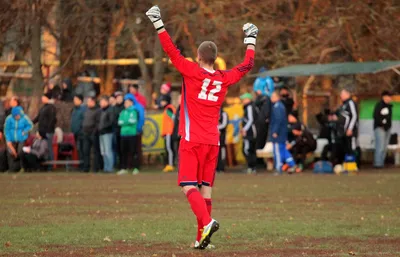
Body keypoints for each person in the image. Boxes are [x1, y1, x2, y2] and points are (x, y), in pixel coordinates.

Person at [146, 5, 257, 249]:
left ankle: (206, 223)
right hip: (212, 142)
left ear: (198, 56)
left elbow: (172, 52)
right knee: (205, 190)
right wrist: (251, 39)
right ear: (215, 59)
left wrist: (158, 24)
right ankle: (201, 240)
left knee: (187, 186)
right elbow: (246, 66)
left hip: (192, 139)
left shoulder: (192, 71)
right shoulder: (224, 78)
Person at [269, 91, 296, 174]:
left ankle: (278, 168)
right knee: (283, 150)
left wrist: (275, 131)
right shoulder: (280, 106)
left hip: (279, 133)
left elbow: (278, 120)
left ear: (277, 97)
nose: (271, 98)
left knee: (277, 151)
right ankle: (292, 164)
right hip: (282, 133)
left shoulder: (277, 107)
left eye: (273, 96)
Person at [4, 106, 33, 172]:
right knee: (11, 152)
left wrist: (25, 131)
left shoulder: (24, 118)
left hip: (22, 139)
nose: (17, 117)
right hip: (11, 139)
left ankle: (22, 167)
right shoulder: (9, 119)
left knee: (20, 152)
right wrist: (8, 141)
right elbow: (6, 130)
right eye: (16, 116)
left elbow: (30, 125)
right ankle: (11, 168)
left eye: (18, 115)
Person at [32, 93, 57, 168]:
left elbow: (52, 120)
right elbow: (38, 118)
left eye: (43, 97)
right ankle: (43, 165)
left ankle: (51, 165)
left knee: (49, 148)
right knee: (43, 149)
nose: (42, 99)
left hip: (48, 132)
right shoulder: (43, 108)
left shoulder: (51, 107)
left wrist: (47, 130)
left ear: (47, 98)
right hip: (42, 132)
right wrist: (31, 123)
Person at [117, 94, 139, 175]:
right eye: (125, 102)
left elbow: (133, 121)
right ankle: (124, 168)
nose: (125, 104)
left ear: (131, 103)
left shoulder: (134, 111)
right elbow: (119, 122)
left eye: (127, 102)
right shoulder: (123, 112)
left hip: (132, 134)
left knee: (133, 151)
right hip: (123, 134)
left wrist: (125, 122)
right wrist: (127, 122)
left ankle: (135, 168)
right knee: (123, 152)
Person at [337, 88, 359, 165]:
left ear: (348, 94)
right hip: (343, 131)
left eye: (342, 94)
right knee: (345, 148)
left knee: (352, 148)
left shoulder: (351, 103)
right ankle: (347, 164)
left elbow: (354, 116)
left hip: (350, 131)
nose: (341, 96)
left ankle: (355, 164)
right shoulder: (343, 105)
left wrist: (350, 129)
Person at [373, 91, 393, 168]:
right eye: (389, 96)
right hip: (380, 128)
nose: (390, 98)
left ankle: (381, 163)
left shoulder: (389, 106)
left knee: (384, 147)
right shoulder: (379, 105)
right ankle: (378, 164)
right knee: (380, 146)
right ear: (384, 97)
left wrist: (388, 126)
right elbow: (376, 116)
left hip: (388, 128)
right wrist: (381, 124)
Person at [82, 96, 102, 173]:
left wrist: (94, 132)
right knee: (85, 151)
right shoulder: (87, 110)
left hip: (93, 133)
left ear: (93, 102)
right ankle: (86, 167)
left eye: (89, 101)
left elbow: (98, 123)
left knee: (96, 151)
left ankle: (95, 168)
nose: (87, 103)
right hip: (85, 133)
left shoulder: (98, 111)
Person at [240, 93, 257, 174]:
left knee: (246, 149)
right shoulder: (249, 107)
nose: (242, 101)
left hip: (249, 132)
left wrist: (244, 129)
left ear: (248, 99)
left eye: (244, 99)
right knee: (250, 149)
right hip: (249, 131)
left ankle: (251, 167)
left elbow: (250, 119)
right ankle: (252, 167)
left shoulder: (249, 107)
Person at [160, 93, 176, 172]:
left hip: (169, 131)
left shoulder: (169, 109)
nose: (161, 103)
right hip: (167, 132)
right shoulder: (167, 109)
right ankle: (169, 164)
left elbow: (173, 118)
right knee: (168, 148)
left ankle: (170, 164)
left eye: (163, 101)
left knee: (169, 148)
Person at [98, 96, 115, 173]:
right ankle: (106, 168)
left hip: (107, 133)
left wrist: (102, 127)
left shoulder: (110, 110)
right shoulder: (101, 111)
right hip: (101, 133)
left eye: (101, 102)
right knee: (103, 152)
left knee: (108, 151)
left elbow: (111, 122)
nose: (100, 103)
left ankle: (110, 168)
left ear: (106, 102)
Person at [71, 94, 86, 170]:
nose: (74, 101)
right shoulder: (74, 109)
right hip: (75, 133)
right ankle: (80, 165)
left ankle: (84, 166)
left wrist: (81, 130)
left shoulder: (83, 109)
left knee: (83, 150)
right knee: (79, 150)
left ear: (80, 100)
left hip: (82, 133)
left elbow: (84, 121)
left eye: (76, 100)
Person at [113, 91, 125, 168]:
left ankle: (124, 164)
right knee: (117, 148)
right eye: (117, 98)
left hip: (123, 131)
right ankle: (119, 164)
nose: (119, 99)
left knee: (123, 148)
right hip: (116, 130)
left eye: (120, 98)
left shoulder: (124, 108)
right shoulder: (114, 108)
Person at [216, 107, 228, 173]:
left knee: (222, 152)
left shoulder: (224, 114)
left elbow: (224, 124)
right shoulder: (213, 113)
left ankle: (222, 167)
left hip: (222, 137)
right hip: (214, 138)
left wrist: (217, 128)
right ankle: (216, 168)